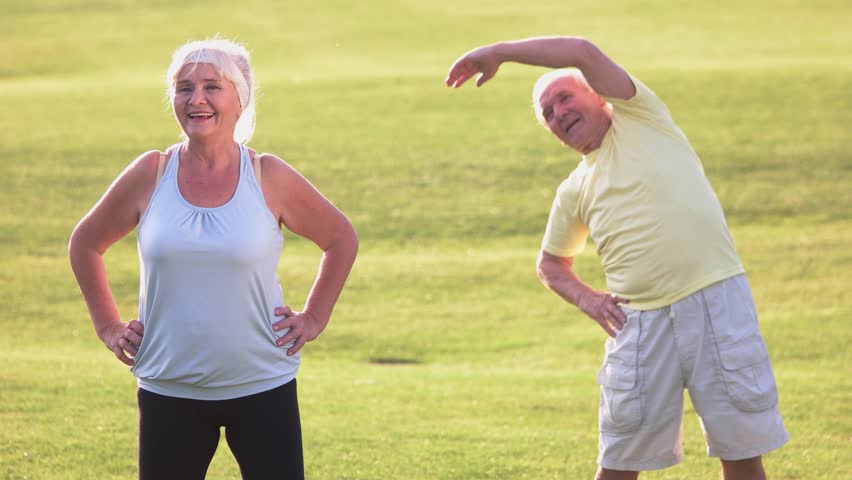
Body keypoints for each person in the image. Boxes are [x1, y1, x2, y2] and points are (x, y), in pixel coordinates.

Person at [446, 36, 788, 480]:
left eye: (564, 98)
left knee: (741, 456)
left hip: (714, 301)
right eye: (547, 115)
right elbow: (550, 265)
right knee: (618, 465)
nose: (558, 114)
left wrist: (499, 53)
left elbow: (581, 51)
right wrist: (588, 299)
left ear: (597, 95)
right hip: (639, 326)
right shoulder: (573, 189)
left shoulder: (642, 118)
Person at [69, 38, 358, 479]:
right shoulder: (151, 172)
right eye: (184, 88)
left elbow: (340, 238)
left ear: (240, 99)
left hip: (263, 384)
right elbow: (85, 243)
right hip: (170, 388)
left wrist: (314, 317)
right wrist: (109, 327)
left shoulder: (269, 176)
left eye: (211, 87)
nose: (196, 99)